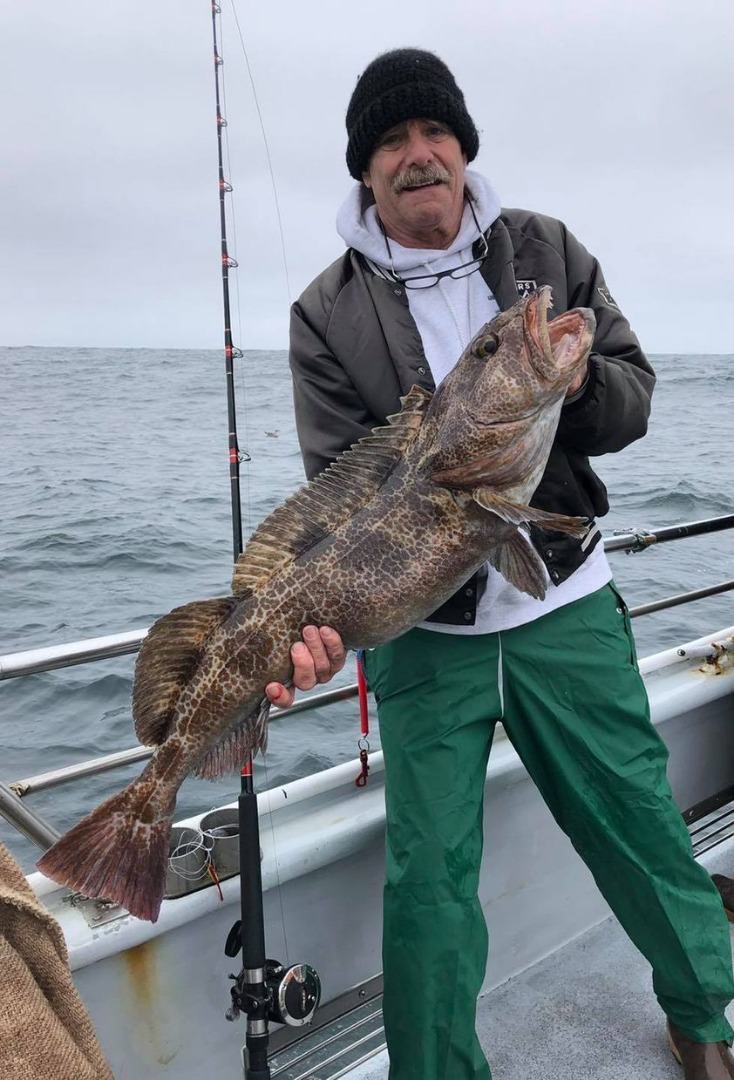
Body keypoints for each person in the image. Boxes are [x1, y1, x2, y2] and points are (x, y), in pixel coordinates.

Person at [265, 48, 734, 1080]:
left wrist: (558, 388)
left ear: (463, 147)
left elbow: (632, 391)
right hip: (423, 636)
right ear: (365, 171)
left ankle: (706, 1014)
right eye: (389, 142)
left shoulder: (543, 249)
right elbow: (345, 489)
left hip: (563, 602)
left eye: (432, 133)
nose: (416, 155)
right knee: (428, 883)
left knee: (638, 824)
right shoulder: (323, 314)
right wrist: (320, 621)